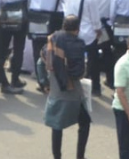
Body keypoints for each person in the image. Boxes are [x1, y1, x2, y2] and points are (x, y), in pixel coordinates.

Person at [43, 15, 91, 159]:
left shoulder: (52, 40)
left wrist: (45, 82)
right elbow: (79, 72)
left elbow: (41, 61)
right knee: (85, 123)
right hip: (73, 93)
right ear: (77, 29)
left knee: (57, 127)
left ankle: (57, 156)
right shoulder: (79, 44)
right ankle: (80, 156)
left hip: (56, 91)